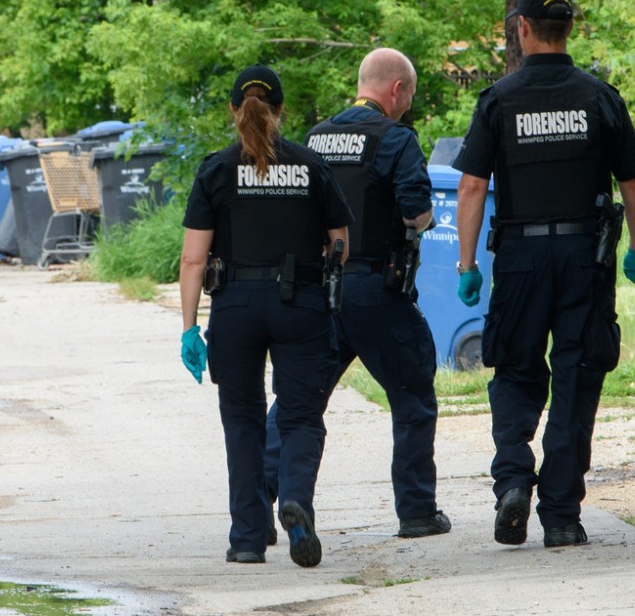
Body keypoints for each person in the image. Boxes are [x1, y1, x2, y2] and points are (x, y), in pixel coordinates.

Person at [454, 0, 635, 548]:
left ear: (521, 28)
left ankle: (514, 480)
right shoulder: (600, 97)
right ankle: (561, 515)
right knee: (576, 375)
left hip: (518, 258)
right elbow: (633, 183)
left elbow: (471, 188)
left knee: (515, 371)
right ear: (569, 29)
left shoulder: (498, 100)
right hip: (583, 257)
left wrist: (468, 263)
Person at [264, 48, 451, 540]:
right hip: (375, 289)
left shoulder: (316, 137)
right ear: (396, 90)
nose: (407, 107)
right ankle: (416, 511)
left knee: (297, 403)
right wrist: (421, 222)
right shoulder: (396, 138)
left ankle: (259, 500)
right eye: (408, 97)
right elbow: (416, 211)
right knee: (412, 394)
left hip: (318, 290)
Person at [179, 64, 354, 568]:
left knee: (243, 421)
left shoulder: (216, 170)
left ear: (235, 110)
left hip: (235, 307)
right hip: (300, 303)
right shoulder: (311, 165)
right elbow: (340, 242)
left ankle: (248, 539)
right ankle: (295, 498)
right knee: (299, 415)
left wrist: (189, 327)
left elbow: (193, 259)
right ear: (281, 110)